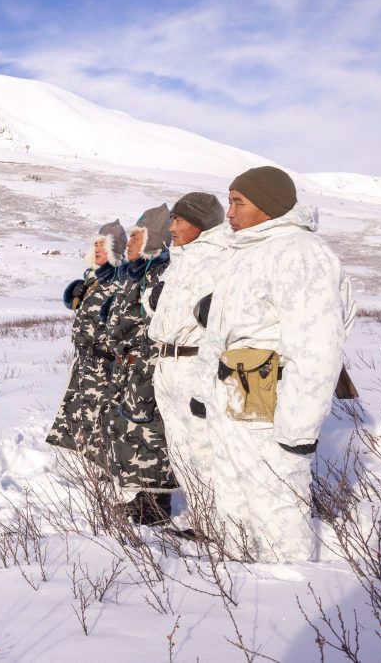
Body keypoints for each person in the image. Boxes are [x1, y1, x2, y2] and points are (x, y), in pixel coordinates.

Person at [200, 166, 355, 562]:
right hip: (238, 389)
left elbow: (317, 344)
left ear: (267, 207)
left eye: (239, 203)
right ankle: (236, 578)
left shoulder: (299, 253)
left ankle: (288, 589)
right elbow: (222, 336)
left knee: (275, 497)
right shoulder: (247, 251)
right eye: (229, 201)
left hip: (272, 395)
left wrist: (299, 428)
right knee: (234, 488)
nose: (229, 213)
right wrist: (206, 390)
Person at [147, 192, 227, 532]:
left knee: (204, 449)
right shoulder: (180, 259)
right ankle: (201, 520)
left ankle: (220, 527)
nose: (172, 226)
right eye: (173, 219)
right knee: (180, 450)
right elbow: (169, 309)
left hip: (195, 363)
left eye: (180, 220)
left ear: (202, 223)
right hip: (166, 362)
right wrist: (151, 301)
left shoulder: (220, 261)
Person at [100, 204, 175, 525]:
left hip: (147, 365)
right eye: (129, 237)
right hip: (127, 365)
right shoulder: (137, 273)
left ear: (153, 240)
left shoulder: (160, 274)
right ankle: (143, 495)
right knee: (132, 433)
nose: (129, 243)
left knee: (152, 434)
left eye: (136, 237)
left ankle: (157, 506)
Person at [47, 219, 127, 472]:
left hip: (106, 362)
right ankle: (95, 466)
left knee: (104, 416)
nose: (98, 250)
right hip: (86, 361)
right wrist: (75, 294)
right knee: (84, 413)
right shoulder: (95, 279)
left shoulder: (122, 279)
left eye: (103, 245)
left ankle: (110, 467)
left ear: (116, 248)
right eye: (95, 245)